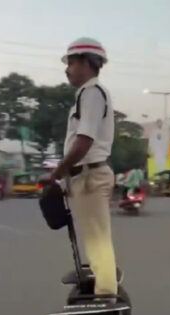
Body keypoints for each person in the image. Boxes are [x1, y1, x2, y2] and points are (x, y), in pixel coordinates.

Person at [42, 37, 118, 298]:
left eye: (71, 62)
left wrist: (58, 171)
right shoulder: (86, 95)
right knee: (94, 241)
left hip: (90, 176)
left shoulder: (92, 93)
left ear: (88, 63)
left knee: (98, 242)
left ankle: (106, 297)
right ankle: (104, 289)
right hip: (84, 176)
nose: (67, 68)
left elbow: (84, 141)